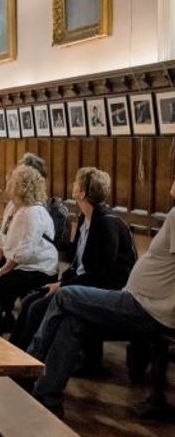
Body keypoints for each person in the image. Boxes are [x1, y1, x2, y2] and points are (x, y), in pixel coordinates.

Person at [28, 176, 175, 417]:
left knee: (65, 296)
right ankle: (47, 394)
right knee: (72, 321)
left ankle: (29, 364)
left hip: (146, 307)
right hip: (141, 302)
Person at [9, 168, 136, 355]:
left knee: (38, 308)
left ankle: (30, 361)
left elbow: (100, 274)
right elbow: (78, 263)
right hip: (82, 282)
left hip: (107, 289)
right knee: (29, 301)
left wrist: (62, 285)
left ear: (83, 192)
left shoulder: (106, 223)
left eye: (76, 182)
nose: (73, 185)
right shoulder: (86, 217)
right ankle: (14, 355)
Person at [0, 164, 59, 333]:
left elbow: (25, 250)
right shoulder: (13, 206)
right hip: (19, 264)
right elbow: (1, 238)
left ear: (22, 186)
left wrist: (1, 272)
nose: (8, 184)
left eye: (12, 182)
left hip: (37, 268)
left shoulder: (34, 212)